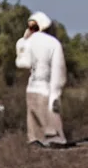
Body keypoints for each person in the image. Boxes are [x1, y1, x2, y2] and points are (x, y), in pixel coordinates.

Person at [15, 11, 68, 147]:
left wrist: (22, 42)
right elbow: (59, 70)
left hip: (32, 88)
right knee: (53, 131)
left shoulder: (27, 42)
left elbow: (23, 63)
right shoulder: (54, 43)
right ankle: (55, 141)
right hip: (46, 89)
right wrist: (56, 91)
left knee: (34, 132)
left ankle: (36, 142)